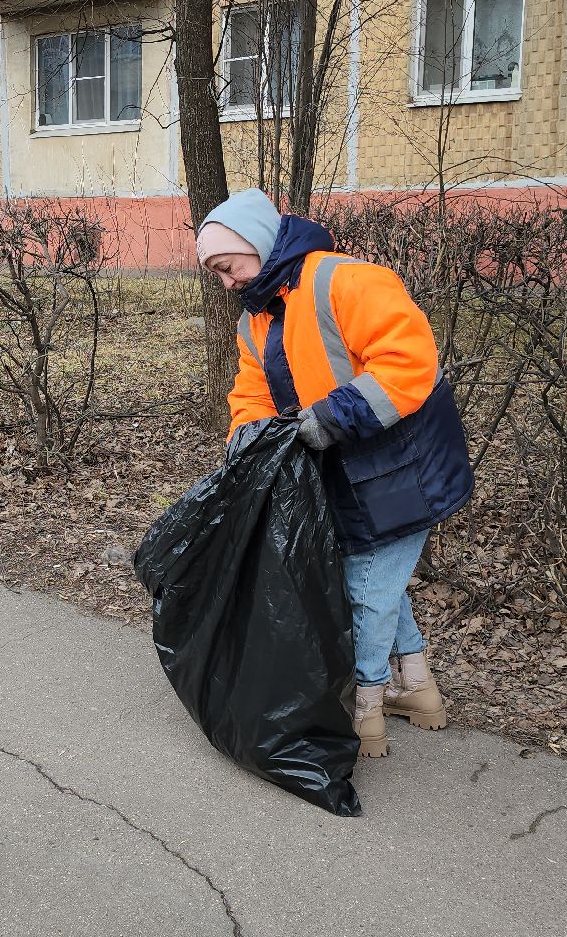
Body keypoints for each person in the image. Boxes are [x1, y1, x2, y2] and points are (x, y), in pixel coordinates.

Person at [200, 189, 474, 759]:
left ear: (257, 243)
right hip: (351, 468)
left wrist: (327, 418)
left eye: (228, 267)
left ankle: (364, 709)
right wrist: (248, 441)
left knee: (365, 588)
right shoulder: (257, 318)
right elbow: (251, 392)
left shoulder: (345, 281)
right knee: (377, 578)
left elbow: (408, 361)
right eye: (219, 275)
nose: (226, 283)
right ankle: (417, 688)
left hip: (406, 463)